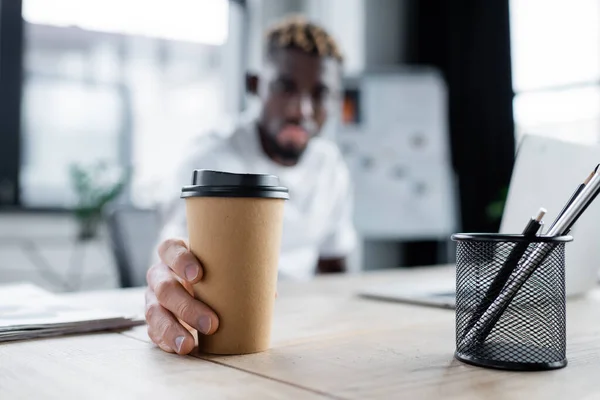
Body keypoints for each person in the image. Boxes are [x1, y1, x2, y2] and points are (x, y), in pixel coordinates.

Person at [145, 16, 357, 355]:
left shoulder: (330, 166)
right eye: (285, 87)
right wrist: (166, 283)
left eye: (320, 94)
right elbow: (172, 259)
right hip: (224, 332)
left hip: (300, 335)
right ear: (256, 84)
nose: (301, 110)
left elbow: (336, 269)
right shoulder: (211, 158)